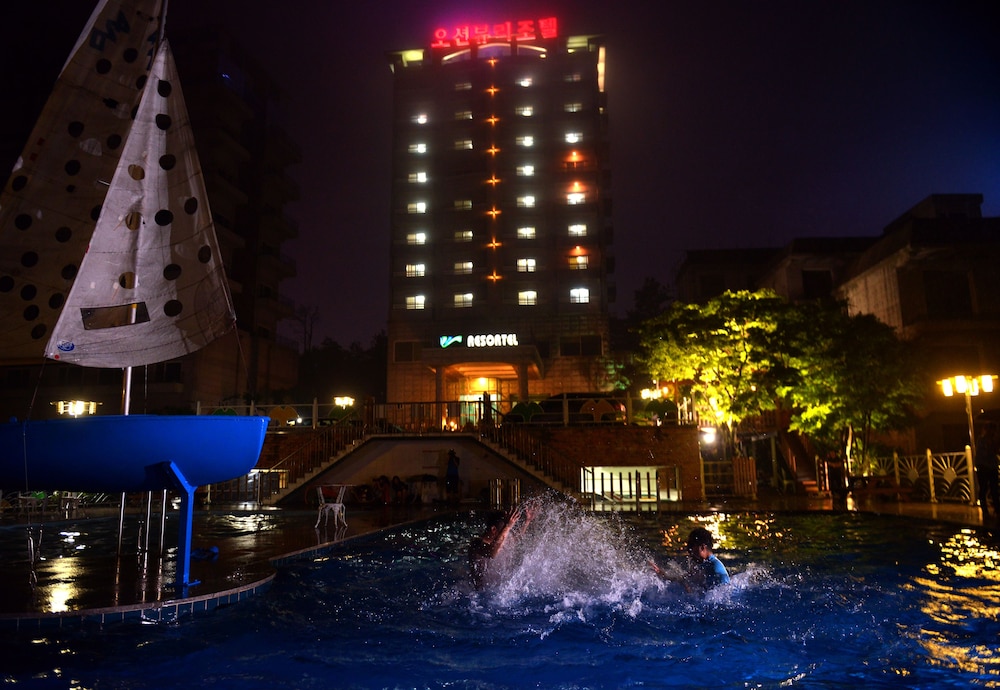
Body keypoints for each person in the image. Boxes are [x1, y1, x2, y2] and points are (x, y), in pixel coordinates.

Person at [468, 504, 535, 589]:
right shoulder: (476, 543)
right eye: (504, 530)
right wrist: (507, 526)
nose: (506, 534)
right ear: (493, 530)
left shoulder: (501, 540)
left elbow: (516, 538)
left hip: (495, 589)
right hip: (479, 592)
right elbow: (492, 553)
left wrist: (527, 521)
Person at [650, 526, 730, 592]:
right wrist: (662, 574)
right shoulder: (702, 565)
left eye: (691, 548)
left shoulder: (716, 568)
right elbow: (683, 580)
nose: (690, 553)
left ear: (702, 547)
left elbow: (725, 595)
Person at [975, 422, 1000, 518]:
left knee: (993, 488)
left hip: (990, 466)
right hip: (984, 466)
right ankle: (985, 509)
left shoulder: (992, 440)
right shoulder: (982, 440)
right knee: (985, 488)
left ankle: (996, 508)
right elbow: (985, 453)